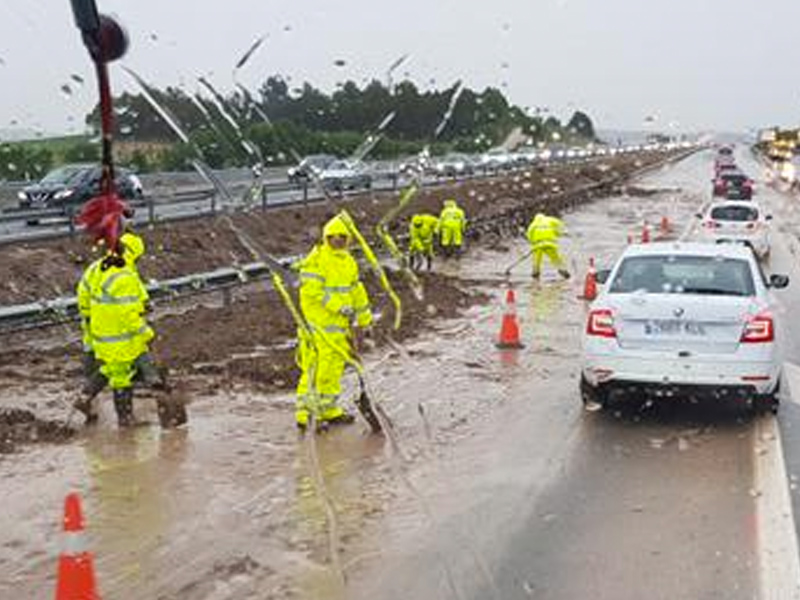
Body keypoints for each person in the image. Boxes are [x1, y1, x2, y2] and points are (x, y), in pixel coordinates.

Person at [75, 232, 165, 426]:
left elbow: (84, 293)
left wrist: (89, 320)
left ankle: (84, 397)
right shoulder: (125, 276)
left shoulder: (98, 267)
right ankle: (126, 419)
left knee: (111, 368)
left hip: (99, 329)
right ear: (132, 253)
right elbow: (129, 313)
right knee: (121, 375)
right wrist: (146, 333)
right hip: (120, 334)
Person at [295, 215, 373, 431]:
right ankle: (306, 414)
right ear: (325, 237)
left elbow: (357, 291)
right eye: (333, 236)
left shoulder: (348, 262)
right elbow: (312, 290)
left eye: (342, 236)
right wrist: (338, 306)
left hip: (339, 328)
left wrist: (365, 320)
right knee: (316, 369)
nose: (338, 240)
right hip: (316, 326)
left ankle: (327, 410)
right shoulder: (316, 259)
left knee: (334, 369)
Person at [526, 213, 570, 280]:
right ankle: (563, 271)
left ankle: (535, 273)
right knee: (555, 258)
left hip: (538, 245)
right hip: (550, 243)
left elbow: (529, 234)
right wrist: (559, 233)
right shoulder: (550, 220)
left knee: (536, 260)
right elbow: (559, 225)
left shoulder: (533, 224)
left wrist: (532, 243)